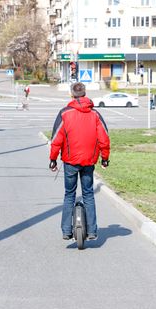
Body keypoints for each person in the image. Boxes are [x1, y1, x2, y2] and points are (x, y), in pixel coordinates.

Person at [49, 82, 110, 241]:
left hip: (70, 162)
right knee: (88, 194)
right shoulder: (95, 114)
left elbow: (56, 139)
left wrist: (53, 160)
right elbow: (104, 139)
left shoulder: (64, 114)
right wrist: (105, 159)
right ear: (84, 94)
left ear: (71, 94)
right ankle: (91, 231)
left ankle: (66, 231)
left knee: (69, 194)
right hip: (89, 162)